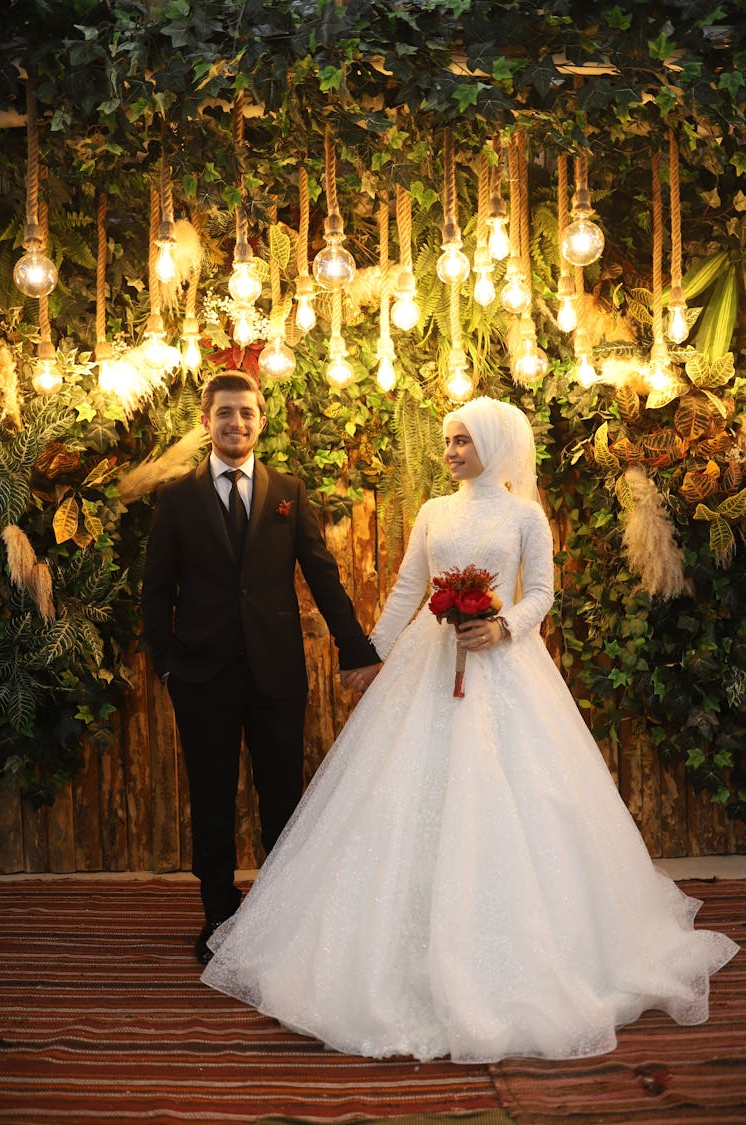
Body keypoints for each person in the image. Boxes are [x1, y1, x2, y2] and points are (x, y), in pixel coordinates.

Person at [201, 395, 738, 1063]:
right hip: (429, 665)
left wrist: (504, 624)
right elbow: (407, 589)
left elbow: (541, 591)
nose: (450, 451)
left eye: (461, 440)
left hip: (503, 664)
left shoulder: (524, 513)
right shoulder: (433, 511)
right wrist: (370, 654)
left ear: (492, 441)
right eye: (448, 441)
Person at [141, 370, 380, 965]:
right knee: (213, 798)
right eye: (225, 413)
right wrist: (166, 662)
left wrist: (357, 650)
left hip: (277, 676)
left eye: (246, 413)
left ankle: (281, 918)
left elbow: (323, 577)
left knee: (282, 798)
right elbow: (155, 589)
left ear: (261, 420)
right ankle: (219, 919)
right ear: (206, 421)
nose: (236, 423)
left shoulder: (288, 492)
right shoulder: (177, 498)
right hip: (202, 678)